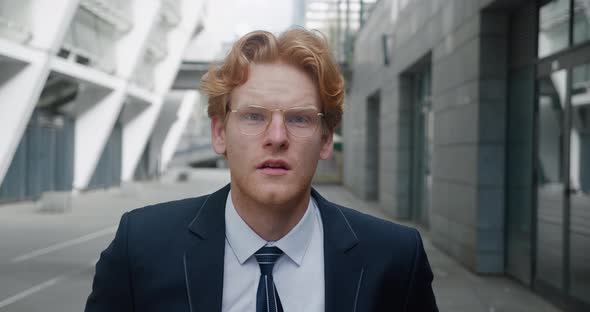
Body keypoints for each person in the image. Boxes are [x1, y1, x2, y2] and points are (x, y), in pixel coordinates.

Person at [85, 27, 438, 312]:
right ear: (220, 133)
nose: (277, 137)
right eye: (254, 116)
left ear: (326, 139)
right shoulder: (141, 247)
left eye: (300, 118)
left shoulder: (394, 258)